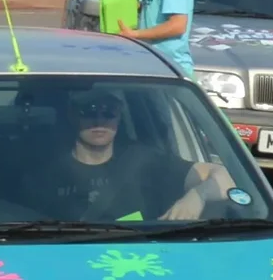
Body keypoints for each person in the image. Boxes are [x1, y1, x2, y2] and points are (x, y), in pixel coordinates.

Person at [37, 89, 230, 223]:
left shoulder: (145, 161)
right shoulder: (44, 171)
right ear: (72, 115)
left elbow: (225, 177)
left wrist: (198, 196)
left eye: (109, 112)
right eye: (88, 111)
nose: (99, 120)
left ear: (119, 115)